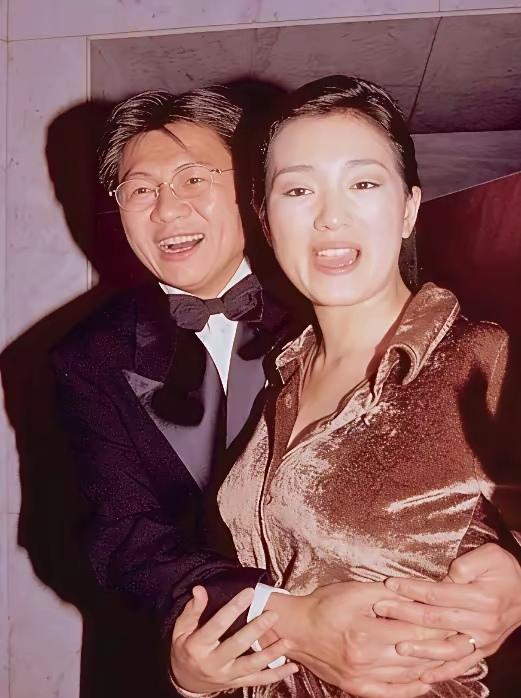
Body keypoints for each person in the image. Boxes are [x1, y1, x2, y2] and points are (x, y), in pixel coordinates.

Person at [53, 84, 521, 698]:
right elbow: (118, 534)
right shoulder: (88, 354)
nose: (167, 210)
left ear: (251, 194)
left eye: (193, 178)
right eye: (140, 189)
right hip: (184, 663)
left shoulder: (341, 292)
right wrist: (280, 619)